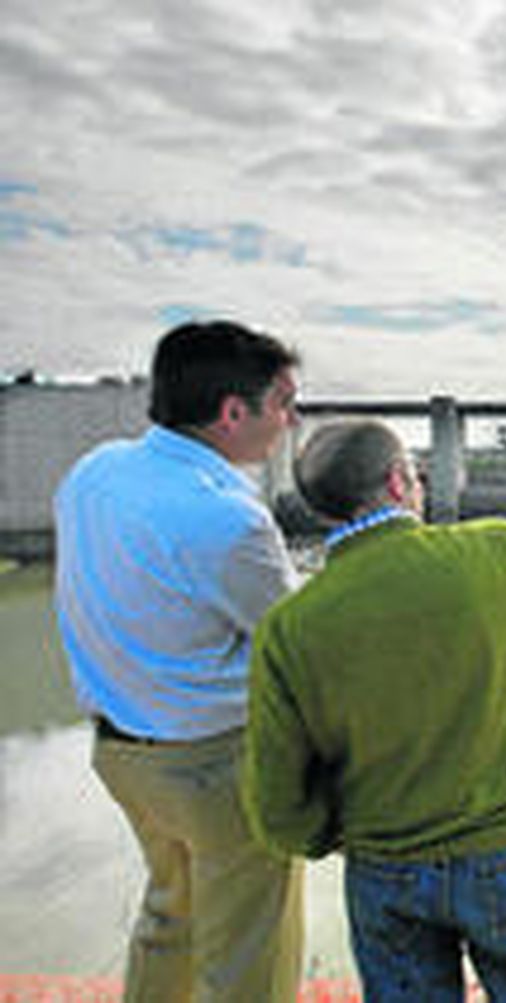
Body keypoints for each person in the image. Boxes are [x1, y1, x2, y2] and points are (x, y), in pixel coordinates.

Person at [241, 418, 506, 1002]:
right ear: (398, 483)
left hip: (383, 864)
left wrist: (327, 837)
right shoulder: (497, 553)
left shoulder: (289, 628)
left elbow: (277, 799)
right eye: (414, 473)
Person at [53, 320, 305, 1002]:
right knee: (249, 958)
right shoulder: (227, 517)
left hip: (123, 754)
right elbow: (292, 640)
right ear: (233, 413)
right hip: (216, 767)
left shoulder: (93, 473)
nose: (290, 421)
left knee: (171, 919)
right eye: (283, 403)